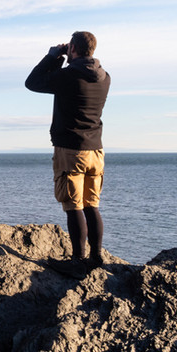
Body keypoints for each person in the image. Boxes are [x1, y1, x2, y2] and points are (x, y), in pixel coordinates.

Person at [25, 31, 110, 275]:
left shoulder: (68, 76)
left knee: (73, 206)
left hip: (71, 150)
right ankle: (96, 257)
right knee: (91, 205)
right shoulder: (105, 78)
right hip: (96, 150)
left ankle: (77, 260)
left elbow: (33, 82)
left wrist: (53, 57)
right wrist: (66, 58)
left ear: (72, 48)